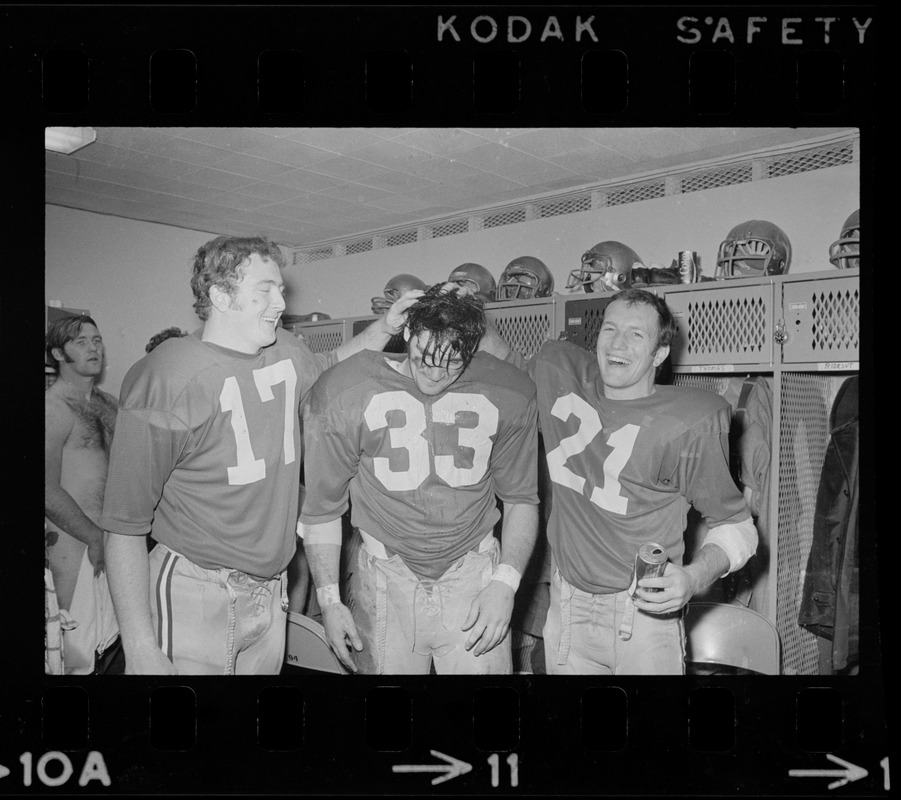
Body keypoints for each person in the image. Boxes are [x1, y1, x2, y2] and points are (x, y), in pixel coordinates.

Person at [100, 235, 418, 675]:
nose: (280, 302)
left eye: (281, 289)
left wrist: (385, 326)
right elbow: (123, 526)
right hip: (196, 587)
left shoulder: (283, 349)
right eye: (265, 290)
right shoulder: (167, 376)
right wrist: (138, 645)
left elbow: (329, 368)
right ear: (219, 296)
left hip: (271, 588)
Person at [483, 288, 757, 675]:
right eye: (609, 329)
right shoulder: (561, 376)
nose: (617, 343)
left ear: (659, 354)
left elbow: (738, 527)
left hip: (643, 613)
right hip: (567, 606)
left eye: (636, 334)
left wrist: (693, 578)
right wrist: (473, 317)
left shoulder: (688, 422)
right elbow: (507, 361)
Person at [300, 286, 540, 674]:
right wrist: (329, 600)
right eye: (424, 358)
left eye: (452, 362)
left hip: (473, 572)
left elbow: (521, 499)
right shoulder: (344, 389)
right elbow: (322, 509)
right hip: (384, 575)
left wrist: (505, 584)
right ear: (407, 333)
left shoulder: (507, 389)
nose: (435, 373)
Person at [44, 315, 122, 674]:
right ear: (58, 353)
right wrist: (92, 536)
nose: (94, 347)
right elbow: (44, 487)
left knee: (110, 648)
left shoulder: (109, 404)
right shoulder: (52, 408)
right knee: (72, 658)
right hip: (76, 545)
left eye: (97, 339)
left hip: (114, 543)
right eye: (81, 342)